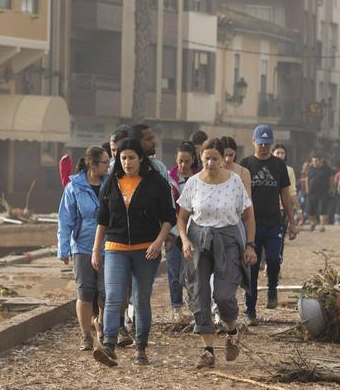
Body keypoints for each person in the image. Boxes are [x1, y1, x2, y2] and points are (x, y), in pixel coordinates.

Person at [91, 138, 176, 367]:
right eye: (123, 158)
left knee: (140, 299)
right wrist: (96, 249)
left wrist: (158, 241)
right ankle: (108, 346)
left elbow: (169, 217)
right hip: (115, 249)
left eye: (131, 157)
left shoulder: (156, 183)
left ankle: (141, 347)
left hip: (145, 250)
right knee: (113, 298)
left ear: (141, 159)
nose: (127, 162)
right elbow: (102, 220)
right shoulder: (111, 184)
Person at [177, 138, 257, 369]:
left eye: (215, 159)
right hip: (198, 239)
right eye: (206, 159)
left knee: (223, 295)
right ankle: (208, 350)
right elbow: (182, 217)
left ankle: (232, 331)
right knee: (199, 293)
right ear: (200, 159)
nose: (210, 163)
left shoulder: (234, 182)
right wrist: (184, 240)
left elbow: (249, 216)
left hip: (228, 240)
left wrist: (250, 245)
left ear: (223, 159)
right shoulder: (193, 183)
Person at [241, 124, 299, 323]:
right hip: (251, 224)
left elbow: (285, 194)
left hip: (274, 222)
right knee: (252, 268)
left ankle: (272, 287)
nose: (264, 147)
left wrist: (292, 222)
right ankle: (250, 310)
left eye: (267, 144)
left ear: (271, 144)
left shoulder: (278, 165)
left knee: (274, 259)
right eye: (260, 143)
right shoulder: (246, 164)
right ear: (253, 142)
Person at [58, 146, 109, 351]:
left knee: (106, 292)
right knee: (85, 292)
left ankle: (104, 328)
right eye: (104, 162)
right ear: (92, 164)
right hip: (82, 245)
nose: (108, 165)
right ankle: (85, 335)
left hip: (109, 245)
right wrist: (63, 249)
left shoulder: (111, 184)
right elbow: (65, 219)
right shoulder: (74, 187)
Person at [166, 142, 198, 314]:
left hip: (194, 229)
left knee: (194, 270)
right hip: (173, 230)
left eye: (187, 161)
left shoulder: (200, 177)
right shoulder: (168, 178)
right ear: (176, 160)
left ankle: (194, 301)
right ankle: (176, 307)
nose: (184, 165)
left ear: (193, 159)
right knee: (174, 270)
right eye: (181, 161)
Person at [304, 154, 332, 231]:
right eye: (313, 161)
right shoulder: (310, 168)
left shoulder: (326, 169)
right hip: (312, 192)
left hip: (323, 191)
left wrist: (331, 189)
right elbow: (307, 179)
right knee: (311, 209)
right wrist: (307, 189)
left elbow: (331, 179)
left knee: (323, 208)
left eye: (316, 161)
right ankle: (312, 223)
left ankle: (322, 226)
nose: (314, 163)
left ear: (320, 161)